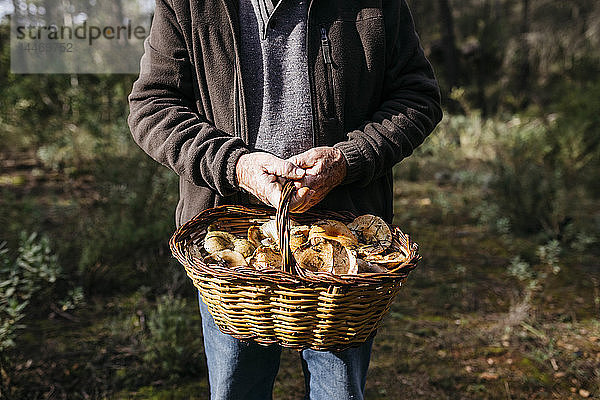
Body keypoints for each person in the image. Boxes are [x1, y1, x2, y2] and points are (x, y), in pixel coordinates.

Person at [128, 0, 442, 398]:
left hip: (345, 251)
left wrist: (347, 160)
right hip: (230, 252)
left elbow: (417, 97)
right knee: (236, 390)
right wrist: (236, 165)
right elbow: (152, 105)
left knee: (338, 392)